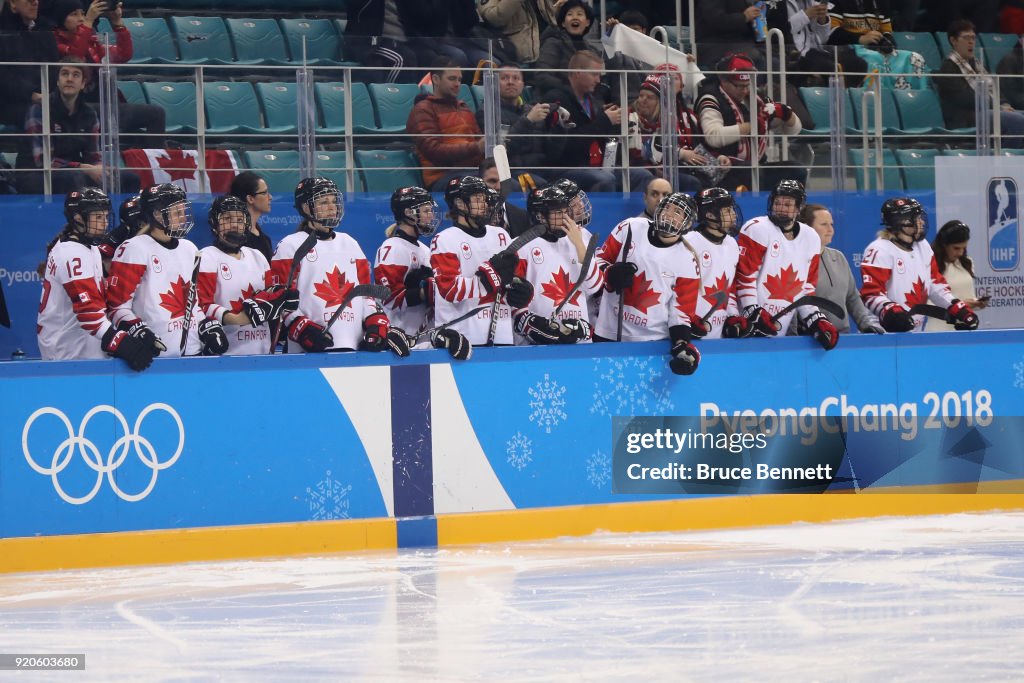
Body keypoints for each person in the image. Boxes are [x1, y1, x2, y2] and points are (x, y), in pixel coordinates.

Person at [271, 177, 410, 356]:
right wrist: (301, 327)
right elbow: (280, 297)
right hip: (308, 350)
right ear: (306, 207)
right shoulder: (290, 245)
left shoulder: (350, 243)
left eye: (333, 201)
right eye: (323, 202)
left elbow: (365, 294)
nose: (331, 207)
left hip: (353, 345)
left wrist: (374, 320)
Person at [37, 187, 155, 370]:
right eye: (98, 218)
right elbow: (88, 313)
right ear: (78, 218)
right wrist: (119, 341)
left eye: (106, 217)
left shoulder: (86, 247)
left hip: (79, 348)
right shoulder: (71, 253)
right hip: (67, 353)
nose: (104, 223)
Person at [107, 183, 224, 357]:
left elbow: (192, 304)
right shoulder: (134, 249)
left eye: (183, 211)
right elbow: (116, 308)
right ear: (157, 215)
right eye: (177, 212)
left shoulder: (190, 248)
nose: (183, 217)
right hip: (154, 356)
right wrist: (139, 331)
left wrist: (205, 325)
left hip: (192, 353)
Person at [594, 192, 703, 374]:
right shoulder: (630, 227)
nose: (668, 214)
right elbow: (598, 259)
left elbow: (681, 312)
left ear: (688, 223)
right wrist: (610, 273)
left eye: (677, 212)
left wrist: (681, 343)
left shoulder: (687, 259)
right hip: (608, 332)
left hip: (652, 344)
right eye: (666, 207)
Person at [733, 180, 838, 350]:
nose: (781, 208)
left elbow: (806, 289)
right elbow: (745, 277)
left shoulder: (810, 237)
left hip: (779, 332)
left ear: (798, 208)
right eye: (777, 203)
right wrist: (753, 311)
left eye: (788, 204)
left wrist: (816, 319)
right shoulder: (757, 229)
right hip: (746, 329)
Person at [431, 175, 533, 345]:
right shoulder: (444, 239)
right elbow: (450, 290)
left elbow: (510, 281)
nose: (485, 204)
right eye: (478, 199)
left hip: (502, 336)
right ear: (460, 203)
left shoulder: (500, 235)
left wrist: (521, 291)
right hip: (461, 341)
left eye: (485, 199)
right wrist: (490, 275)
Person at [374, 186, 471, 359]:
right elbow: (389, 298)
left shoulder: (425, 250)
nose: (431, 215)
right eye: (426, 210)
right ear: (409, 213)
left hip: (424, 338)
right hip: (399, 339)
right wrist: (424, 291)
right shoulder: (392, 247)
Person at [17, 57, 138, 194]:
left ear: (83, 83)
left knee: (128, 178)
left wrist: (100, 168)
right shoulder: (39, 110)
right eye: (64, 74)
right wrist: (83, 167)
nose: (69, 79)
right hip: (33, 174)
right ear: (57, 81)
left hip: (72, 171)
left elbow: (93, 157)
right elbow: (43, 161)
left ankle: (115, 214)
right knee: (74, 177)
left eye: (76, 75)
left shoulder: (89, 114)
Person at [860, 197, 979, 333]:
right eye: (916, 218)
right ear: (902, 222)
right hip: (882, 334)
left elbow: (935, 285)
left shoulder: (923, 246)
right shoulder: (879, 249)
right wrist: (890, 312)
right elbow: (871, 293)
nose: (921, 222)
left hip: (915, 333)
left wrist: (959, 308)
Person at [198, 195, 298, 356]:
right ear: (215, 224)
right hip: (224, 352)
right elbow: (201, 305)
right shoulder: (206, 257)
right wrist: (237, 318)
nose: (234, 225)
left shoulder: (257, 257)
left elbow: (270, 296)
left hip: (262, 350)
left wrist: (283, 296)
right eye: (227, 219)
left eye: (239, 220)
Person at [51, 0, 165, 140]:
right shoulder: (54, 41)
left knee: (156, 113)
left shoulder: (91, 41)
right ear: (61, 19)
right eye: (74, 14)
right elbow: (75, 57)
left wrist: (117, 23)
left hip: (105, 103)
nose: (81, 18)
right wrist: (88, 21)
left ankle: (156, 158)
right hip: (76, 106)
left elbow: (123, 54)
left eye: (82, 14)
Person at [547, 49, 653, 192]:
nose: (598, 80)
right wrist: (604, 121)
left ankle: (636, 215)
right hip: (567, 167)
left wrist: (618, 126)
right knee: (605, 179)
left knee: (643, 175)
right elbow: (567, 147)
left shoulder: (594, 100)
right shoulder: (557, 100)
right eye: (594, 74)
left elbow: (600, 134)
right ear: (578, 72)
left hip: (601, 166)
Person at [695, 53, 804, 192]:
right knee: (751, 172)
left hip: (757, 164)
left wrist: (787, 115)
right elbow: (713, 137)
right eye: (739, 86)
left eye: (747, 85)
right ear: (724, 80)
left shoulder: (755, 98)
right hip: (724, 168)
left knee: (796, 170)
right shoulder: (710, 99)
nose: (745, 90)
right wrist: (752, 127)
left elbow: (793, 131)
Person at [511, 186, 601, 345]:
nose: (566, 217)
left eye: (567, 211)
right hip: (536, 345)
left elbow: (594, 286)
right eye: (559, 213)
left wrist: (579, 244)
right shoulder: (521, 246)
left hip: (579, 342)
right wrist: (528, 324)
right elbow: (512, 297)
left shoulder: (580, 239)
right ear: (540, 216)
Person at [794, 203, 884, 335]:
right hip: (809, 340)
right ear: (807, 228)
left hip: (842, 338)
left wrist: (867, 323)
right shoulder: (794, 259)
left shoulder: (838, 257)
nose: (830, 230)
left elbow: (852, 298)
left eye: (831, 224)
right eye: (824, 224)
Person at [936, 19, 1024, 148]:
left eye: (973, 38)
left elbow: (994, 89)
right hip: (965, 116)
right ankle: (1008, 157)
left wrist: (1004, 104)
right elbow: (965, 98)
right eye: (966, 38)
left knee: (1019, 115)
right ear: (953, 40)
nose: (971, 42)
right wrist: (998, 107)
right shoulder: (948, 67)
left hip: (986, 110)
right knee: (1016, 120)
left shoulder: (977, 63)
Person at [407, 57, 484, 191]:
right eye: (452, 79)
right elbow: (434, 152)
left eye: (459, 79)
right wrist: (477, 147)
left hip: (472, 173)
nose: (457, 84)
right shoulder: (423, 109)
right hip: (442, 178)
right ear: (436, 79)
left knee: (512, 183)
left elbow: (480, 145)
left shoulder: (464, 108)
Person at [475, 62, 560, 184]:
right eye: (504, 78)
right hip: (511, 172)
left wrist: (560, 127)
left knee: (582, 178)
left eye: (516, 78)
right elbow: (500, 150)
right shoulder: (487, 112)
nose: (510, 82)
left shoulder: (533, 110)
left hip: (542, 169)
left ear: (523, 84)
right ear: (494, 84)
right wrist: (527, 121)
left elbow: (551, 153)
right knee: (544, 186)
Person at [625, 73, 707, 193]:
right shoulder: (627, 117)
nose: (643, 100)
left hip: (659, 168)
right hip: (633, 168)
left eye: (650, 97)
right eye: (641, 95)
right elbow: (633, 155)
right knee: (648, 178)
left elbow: (665, 152)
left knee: (691, 182)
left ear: (659, 102)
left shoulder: (666, 121)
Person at [686, 187, 742, 339]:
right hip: (690, 332)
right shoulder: (689, 242)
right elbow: (676, 290)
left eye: (732, 210)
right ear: (709, 215)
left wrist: (733, 316)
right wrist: (683, 322)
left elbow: (728, 290)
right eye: (727, 211)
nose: (733, 215)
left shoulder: (732, 244)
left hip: (719, 336)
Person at [0, 0, 59, 128]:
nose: (35, 3)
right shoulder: (3, 34)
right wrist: (30, 94)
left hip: (47, 98)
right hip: (11, 103)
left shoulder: (45, 31)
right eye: (29, 0)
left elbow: (54, 69)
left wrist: (49, 94)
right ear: (13, 4)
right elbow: (3, 76)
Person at [925, 220, 988, 332]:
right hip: (939, 329)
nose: (960, 253)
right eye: (956, 248)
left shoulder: (968, 263)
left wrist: (976, 303)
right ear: (944, 245)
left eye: (964, 248)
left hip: (966, 327)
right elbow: (927, 306)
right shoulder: (929, 267)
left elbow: (967, 295)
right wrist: (961, 306)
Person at [228, 171, 274, 262]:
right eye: (264, 193)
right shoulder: (235, 239)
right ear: (250, 199)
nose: (270, 197)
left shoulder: (265, 239)